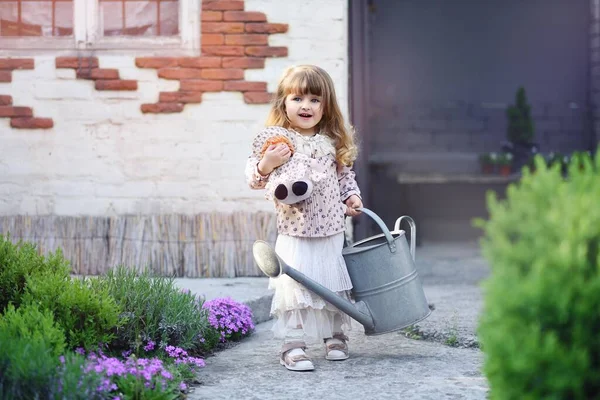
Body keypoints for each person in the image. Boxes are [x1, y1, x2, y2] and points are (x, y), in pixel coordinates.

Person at [245, 65, 363, 371]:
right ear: (283, 103)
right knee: (295, 286)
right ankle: (293, 343)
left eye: (314, 99)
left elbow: (344, 178)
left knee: (332, 283)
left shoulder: (332, 142)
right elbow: (255, 180)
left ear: (326, 106)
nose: (306, 106)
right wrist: (266, 164)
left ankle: (334, 336)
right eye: (298, 98)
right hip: (295, 228)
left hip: (332, 228)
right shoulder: (278, 141)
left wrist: (352, 197)